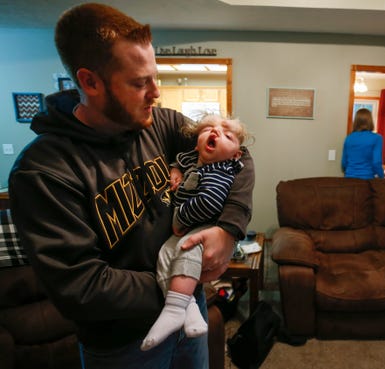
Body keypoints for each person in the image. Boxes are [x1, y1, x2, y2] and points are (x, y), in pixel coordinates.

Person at [8, 3, 254, 369]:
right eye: (140, 82)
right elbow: (81, 287)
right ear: (90, 82)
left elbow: (239, 155)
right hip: (125, 346)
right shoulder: (42, 171)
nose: (156, 92)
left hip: (190, 314)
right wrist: (180, 282)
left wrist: (229, 228)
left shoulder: (162, 124)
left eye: (154, 77)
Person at [141, 114, 249, 351]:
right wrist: (175, 169)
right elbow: (182, 158)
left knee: (185, 251)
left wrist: (179, 217)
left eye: (227, 135)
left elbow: (209, 202)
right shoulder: (195, 158)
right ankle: (186, 305)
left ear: (235, 154)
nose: (216, 132)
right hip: (189, 225)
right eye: (208, 128)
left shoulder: (222, 170)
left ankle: (174, 309)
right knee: (165, 256)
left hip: (204, 226)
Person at [341, 108, 384, 179]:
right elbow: (376, 163)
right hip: (366, 179)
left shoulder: (349, 138)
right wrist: (382, 177)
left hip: (349, 179)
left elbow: (344, 163)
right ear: (370, 121)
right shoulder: (377, 138)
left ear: (356, 122)